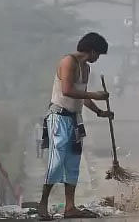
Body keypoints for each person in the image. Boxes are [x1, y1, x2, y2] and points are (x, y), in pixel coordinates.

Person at [37, 32, 113, 221]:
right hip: (58, 117)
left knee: (72, 163)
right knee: (56, 161)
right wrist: (96, 95)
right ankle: (42, 204)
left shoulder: (85, 68)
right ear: (92, 51)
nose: (97, 58)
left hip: (74, 119)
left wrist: (99, 112)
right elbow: (68, 91)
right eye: (98, 55)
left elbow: (83, 96)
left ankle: (70, 207)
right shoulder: (68, 62)